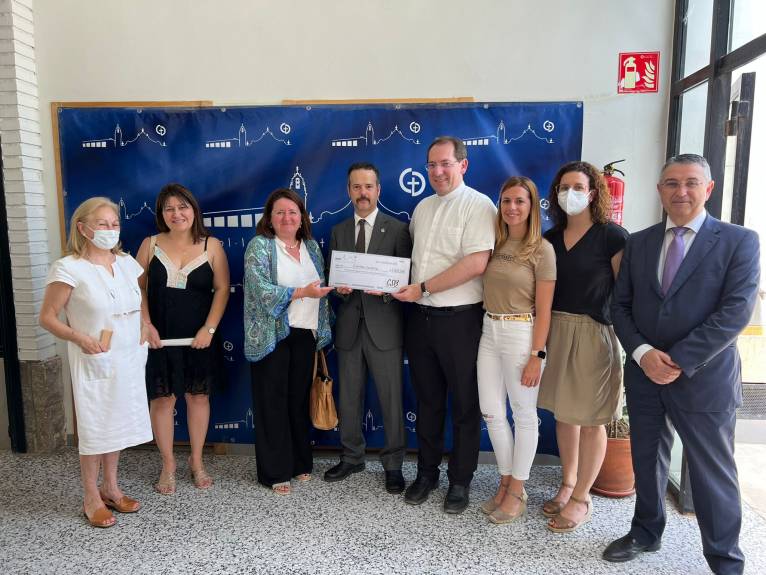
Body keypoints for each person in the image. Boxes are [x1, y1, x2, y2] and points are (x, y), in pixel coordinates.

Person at [604, 154, 759, 574]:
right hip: (645, 373)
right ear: (660, 191)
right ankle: (645, 531)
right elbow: (620, 307)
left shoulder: (739, 241)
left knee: (712, 472)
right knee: (647, 458)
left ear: (709, 189)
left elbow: (735, 313)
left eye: (691, 182)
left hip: (704, 378)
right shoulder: (640, 242)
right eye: (671, 183)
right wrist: (642, 354)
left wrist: (676, 360)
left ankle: (725, 559)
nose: (681, 191)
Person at [393, 136, 496, 513]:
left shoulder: (479, 205)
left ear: (463, 165)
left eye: (445, 164)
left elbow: (476, 263)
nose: (437, 172)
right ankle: (427, 473)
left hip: (461, 321)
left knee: (465, 405)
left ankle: (460, 481)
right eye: (432, 165)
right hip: (421, 320)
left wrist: (423, 288)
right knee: (428, 402)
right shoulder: (422, 207)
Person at [39, 197, 153, 528]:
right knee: (95, 426)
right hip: (95, 357)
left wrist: (145, 324)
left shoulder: (126, 263)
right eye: (102, 224)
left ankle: (111, 488)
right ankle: (91, 497)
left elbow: (139, 299)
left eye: (114, 224)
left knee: (116, 424)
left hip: (128, 356)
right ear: (83, 228)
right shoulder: (68, 268)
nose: (110, 229)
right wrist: (79, 338)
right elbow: (47, 317)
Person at [536, 161, 629, 533]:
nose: (569, 193)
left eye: (577, 187)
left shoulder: (612, 237)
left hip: (595, 333)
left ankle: (582, 498)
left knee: (592, 419)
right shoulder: (550, 239)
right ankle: (568, 483)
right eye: (563, 187)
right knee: (565, 415)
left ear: (593, 193)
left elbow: (625, 295)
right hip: (557, 330)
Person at [324, 162, 412, 493]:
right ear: (349, 191)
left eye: (368, 186)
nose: (363, 193)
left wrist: (388, 292)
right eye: (357, 187)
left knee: (391, 399)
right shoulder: (338, 231)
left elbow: (407, 281)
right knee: (348, 397)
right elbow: (335, 278)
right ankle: (352, 457)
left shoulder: (398, 229)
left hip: (385, 328)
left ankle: (393, 464)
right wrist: (340, 289)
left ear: (378, 190)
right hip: (349, 326)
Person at [136, 183, 230, 494]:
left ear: (194, 210)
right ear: (161, 214)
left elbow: (222, 290)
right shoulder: (149, 245)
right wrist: (146, 324)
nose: (177, 214)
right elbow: (137, 289)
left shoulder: (212, 246)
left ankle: (197, 460)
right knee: (162, 399)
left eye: (182, 207)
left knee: (198, 397)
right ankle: (168, 464)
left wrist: (210, 329)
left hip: (199, 338)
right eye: (169, 209)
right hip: (159, 338)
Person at [244, 188, 333, 495]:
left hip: (305, 334)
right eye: (280, 212)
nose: (286, 217)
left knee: (297, 401)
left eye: (293, 212)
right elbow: (260, 290)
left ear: (302, 217)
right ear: (269, 218)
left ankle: (299, 462)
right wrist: (302, 292)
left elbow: (321, 286)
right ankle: (274, 472)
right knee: (272, 403)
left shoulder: (311, 247)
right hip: (272, 336)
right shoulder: (260, 246)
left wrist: (337, 289)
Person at [477, 176, 555, 525]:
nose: (511, 207)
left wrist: (537, 355)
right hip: (489, 329)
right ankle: (506, 482)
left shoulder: (541, 249)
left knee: (523, 414)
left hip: (521, 332)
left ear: (532, 206)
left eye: (519, 201)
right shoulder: (494, 242)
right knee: (492, 411)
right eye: (506, 201)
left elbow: (545, 310)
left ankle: (517, 490)